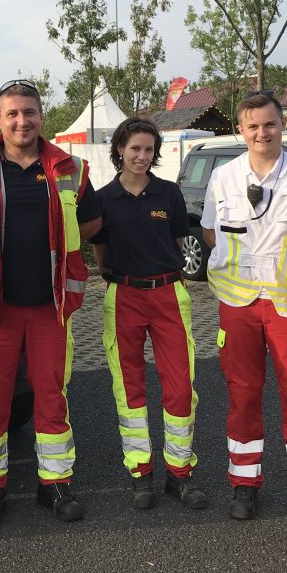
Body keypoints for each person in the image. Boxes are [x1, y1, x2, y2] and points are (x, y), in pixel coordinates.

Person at [0, 79, 102, 525]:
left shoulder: (70, 168)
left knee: (52, 394)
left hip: (52, 305)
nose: (21, 121)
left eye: (29, 112)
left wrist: (57, 245)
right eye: (12, 114)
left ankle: (56, 484)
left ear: (41, 117)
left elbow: (92, 222)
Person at [201, 92, 287, 525]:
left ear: (283, 125)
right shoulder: (222, 178)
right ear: (241, 129)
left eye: (270, 124)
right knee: (242, 393)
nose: (262, 132)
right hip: (237, 304)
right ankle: (244, 483)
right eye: (253, 125)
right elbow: (209, 233)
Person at [91, 117, 206, 511]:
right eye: (135, 148)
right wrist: (118, 278)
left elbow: (177, 240)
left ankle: (180, 474)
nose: (142, 156)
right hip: (122, 295)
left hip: (168, 294)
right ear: (120, 149)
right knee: (130, 388)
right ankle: (140, 473)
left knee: (179, 385)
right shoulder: (104, 198)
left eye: (149, 149)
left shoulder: (169, 194)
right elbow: (100, 252)